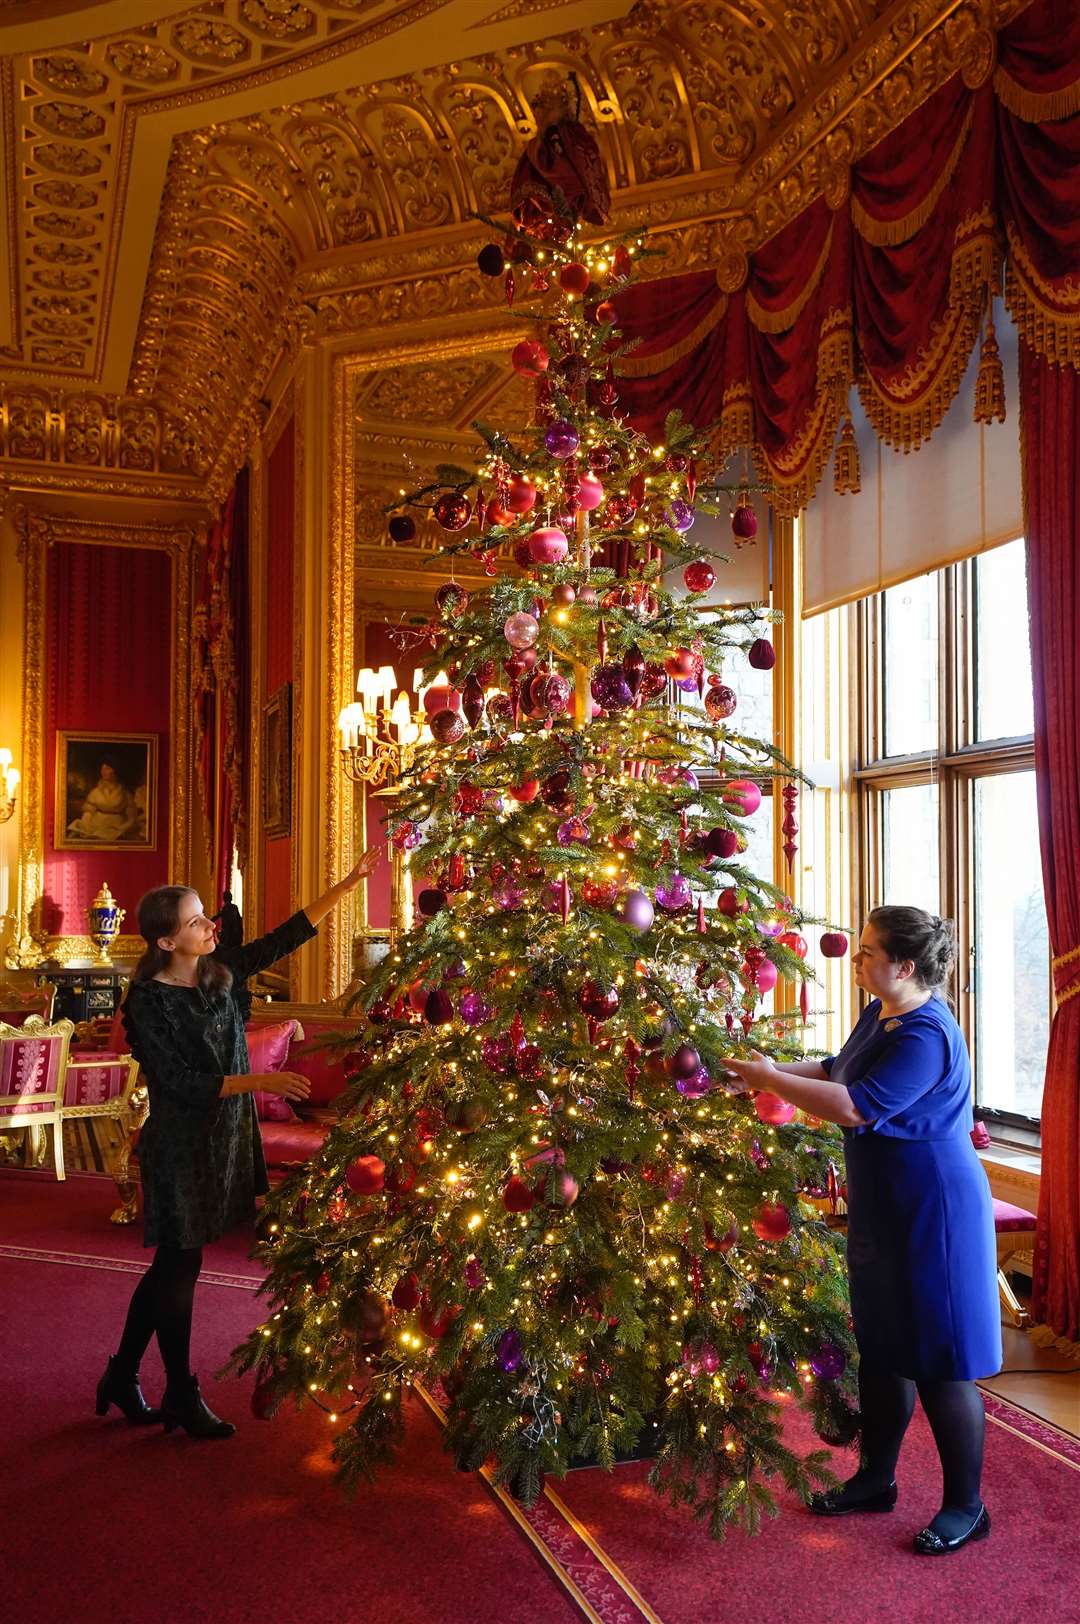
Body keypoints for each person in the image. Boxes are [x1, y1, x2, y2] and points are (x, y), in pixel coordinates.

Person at [726, 906, 1001, 1556]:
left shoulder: (926, 1035)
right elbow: (838, 1070)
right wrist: (771, 1071)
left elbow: (854, 1106)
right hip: (885, 1202)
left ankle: (967, 1505)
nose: (857, 957)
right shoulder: (884, 1012)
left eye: (869, 950)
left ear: (904, 966)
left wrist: (771, 1081)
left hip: (935, 1208)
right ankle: (876, 1479)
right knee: (882, 1348)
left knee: (940, 1362)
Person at [95, 850, 380, 1440]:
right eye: (198, 921)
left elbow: (284, 938)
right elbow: (177, 1083)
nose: (210, 927)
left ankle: (123, 1376)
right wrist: (260, 1082)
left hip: (223, 1139)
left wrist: (347, 884)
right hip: (178, 1144)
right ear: (168, 942)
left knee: (176, 1263)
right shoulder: (147, 1002)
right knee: (180, 1264)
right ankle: (179, 1392)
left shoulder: (220, 970)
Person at [67, 759, 141, 842]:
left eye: (107, 768)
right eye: (102, 769)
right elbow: (88, 812)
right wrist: (85, 826)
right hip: (96, 826)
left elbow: (132, 818)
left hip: (116, 827)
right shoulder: (95, 791)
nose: (103, 771)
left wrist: (121, 829)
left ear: (115, 770)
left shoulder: (125, 794)